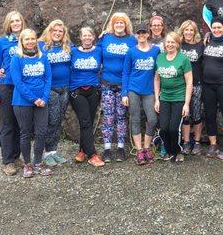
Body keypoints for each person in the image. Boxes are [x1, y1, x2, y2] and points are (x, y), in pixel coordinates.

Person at [10, 29, 53, 178]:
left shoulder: (43, 57)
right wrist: (34, 99)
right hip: (22, 102)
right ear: (21, 41)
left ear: (36, 40)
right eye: (26, 39)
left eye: (32, 39)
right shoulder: (16, 59)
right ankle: (27, 165)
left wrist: (45, 98)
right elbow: (18, 82)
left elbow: (48, 78)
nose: (30, 42)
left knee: (41, 132)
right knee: (25, 133)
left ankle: (38, 162)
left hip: (42, 101)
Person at [0, 10, 26, 176]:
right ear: (8, 24)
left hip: (23, 88)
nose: (16, 23)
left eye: (18, 20)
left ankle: (17, 155)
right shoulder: (1, 42)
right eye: (13, 21)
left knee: (21, 124)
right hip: (7, 87)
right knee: (7, 125)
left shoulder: (28, 40)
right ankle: (8, 161)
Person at [98, 12, 137, 163]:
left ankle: (121, 147)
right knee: (108, 116)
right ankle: (107, 148)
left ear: (126, 24)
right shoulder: (106, 38)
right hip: (107, 83)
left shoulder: (132, 40)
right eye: (116, 23)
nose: (119, 25)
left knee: (121, 116)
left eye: (122, 23)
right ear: (112, 25)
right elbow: (96, 53)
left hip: (124, 84)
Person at [122, 22, 160, 165]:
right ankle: (139, 150)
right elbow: (126, 73)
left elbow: (159, 70)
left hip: (149, 90)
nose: (142, 35)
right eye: (139, 33)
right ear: (136, 35)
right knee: (135, 119)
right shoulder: (131, 51)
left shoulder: (155, 50)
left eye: (144, 32)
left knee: (152, 119)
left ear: (148, 34)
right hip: (133, 89)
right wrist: (124, 93)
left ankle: (147, 147)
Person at [154, 32, 193, 162]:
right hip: (164, 98)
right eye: (168, 42)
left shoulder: (183, 59)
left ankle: (177, 151)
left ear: (177, 44)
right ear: (164, 44)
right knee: (164, 128)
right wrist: (157, 99)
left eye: (173, 42)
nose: (170, 44)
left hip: (179, 98)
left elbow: (189, 83)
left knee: (173, 128)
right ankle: (168, 149)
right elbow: (157, 80)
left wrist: (186, 104)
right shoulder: (160, 58)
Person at [69, 27, 104, 167]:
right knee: (85, 121)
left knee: (88, 121)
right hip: (77, 91)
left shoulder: (99, 50)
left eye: (90, 35)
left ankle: (82, 150)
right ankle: (92, 154)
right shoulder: (73, 51)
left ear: (94, 37)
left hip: (93, 90)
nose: (87, 38)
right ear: (80, 37)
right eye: (84, 35)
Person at [38, 19, 71, 167]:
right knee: (52, 120)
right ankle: (46, 152)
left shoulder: (68, 46)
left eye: (60, 31)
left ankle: (54, 150)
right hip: (50, 88)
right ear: (49, 32)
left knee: (59, 120)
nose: (57, 33)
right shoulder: (41, 46)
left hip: (65, 87)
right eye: (55, 31)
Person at [202, 17, 223, 159]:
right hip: (207, 83)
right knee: (210, 114)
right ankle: (213, 144)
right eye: (214, 27)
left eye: (219, 27)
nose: (216, 30)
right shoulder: (207, 40)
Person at [178, 20, 204, 155]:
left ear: (195, 32)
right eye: (186, 30)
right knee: (185, 114)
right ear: (182, 31)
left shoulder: (201, 45)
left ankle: (197, 141)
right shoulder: (178, 45)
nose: (188, 32)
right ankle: (186, 141)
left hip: (197, 84)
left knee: (197, 113)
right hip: (180, 85)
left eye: (191, 30)